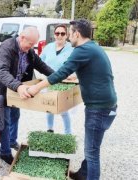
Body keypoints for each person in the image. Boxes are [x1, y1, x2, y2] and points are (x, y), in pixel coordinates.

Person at [27, 19, 117, 180]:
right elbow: (95, 73)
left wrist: (36, 87)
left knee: (92, 152)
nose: (68, 37)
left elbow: (61, 72)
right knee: (93, 147)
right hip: (107, 105)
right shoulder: (93, 47)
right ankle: (83, 174)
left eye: (69, 34)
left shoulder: (82, 50)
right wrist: (75, 77)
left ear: (77, 34)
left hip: (99, 109)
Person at [0, 27, 54, 165]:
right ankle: (5, 153)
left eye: (33, 45)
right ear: (22, 37)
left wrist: (57, 75)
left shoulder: (28, 51)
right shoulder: (6, 48)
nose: (31, 48)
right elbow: (2, 72)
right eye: (30, 44)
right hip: (1, 92)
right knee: (5, 122)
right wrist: (19, 86)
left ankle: (11, 141)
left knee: (15, 116)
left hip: (17, 91)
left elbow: (40, 65)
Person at [40, 24, 74, 134]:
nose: (59, 36)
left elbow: (77, 65)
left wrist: (73, 75)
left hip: (64, 83)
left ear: (67, 35)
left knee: (63, 109)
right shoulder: (48, 47)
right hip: (49, 81)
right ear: (54, 35)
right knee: (49, 107)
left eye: (62, 33)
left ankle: (68, 133)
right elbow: (39, 61)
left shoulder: (72, 48)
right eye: (57, 33)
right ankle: (50, 129)